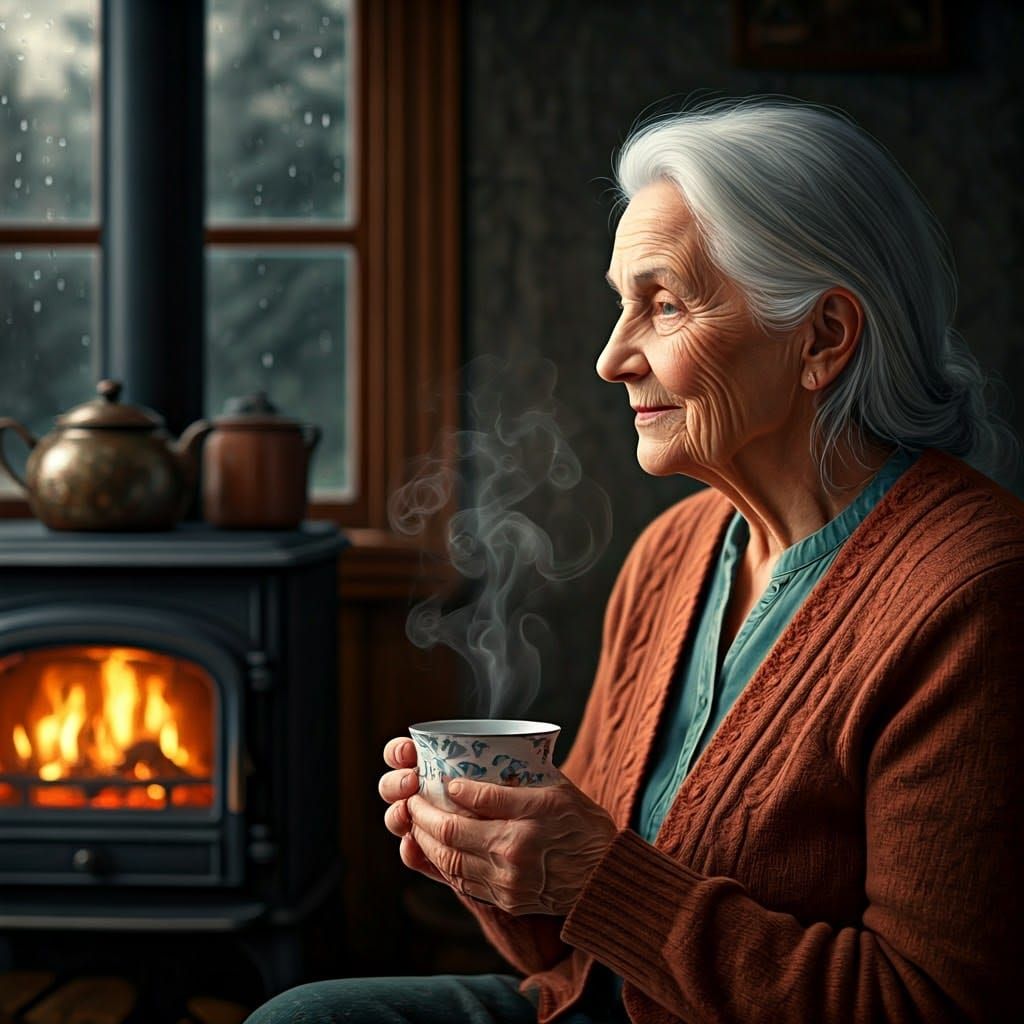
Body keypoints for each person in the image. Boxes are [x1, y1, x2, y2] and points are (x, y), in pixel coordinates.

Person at [246, 97, 1024, 1023]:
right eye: (622, 306)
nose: (614, 357)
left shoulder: (976, 594)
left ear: (821, 338)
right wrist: (494, 862)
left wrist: (593, 876)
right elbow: (571, 947)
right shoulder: (674, 551)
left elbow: (924, 1004)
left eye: (662, 305)